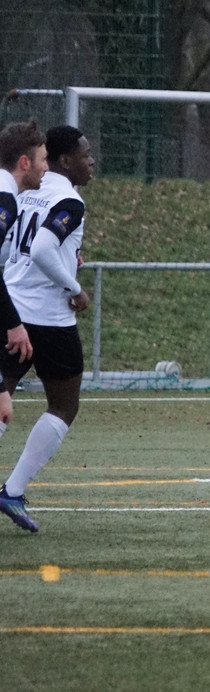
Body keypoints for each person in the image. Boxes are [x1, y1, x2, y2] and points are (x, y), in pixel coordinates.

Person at [0, 125, 93, 534]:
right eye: (85, 154)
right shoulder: (69, 200)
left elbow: (13, 249)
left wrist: (67, 259)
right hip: (49, 319)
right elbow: (41, 249)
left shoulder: (25, 193)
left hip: (12, 309)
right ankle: (13, 490)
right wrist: (74, 287)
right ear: (64, 161)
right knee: (64, 405)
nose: (91, 161)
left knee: (2, 397)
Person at [0, 121, 45, 531]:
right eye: (43, 159)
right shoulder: (4, 199)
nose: (47, 168)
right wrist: (14, 324)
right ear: (24, 162)